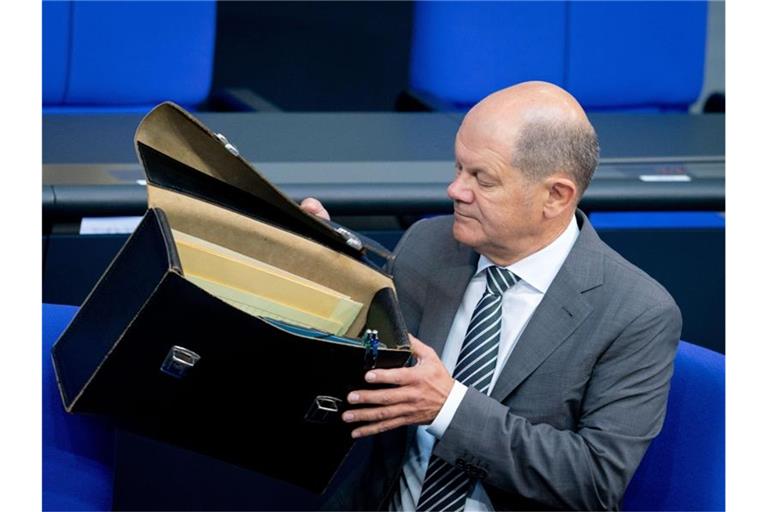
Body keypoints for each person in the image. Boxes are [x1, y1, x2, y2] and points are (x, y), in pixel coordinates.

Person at [301, 81, 682, 511]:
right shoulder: (428, 245)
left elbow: (593, 481)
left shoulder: (635, 312)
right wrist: (324, 273)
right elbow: (364, 371)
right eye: (459, 168)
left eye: (482, 178)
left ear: (555, 196)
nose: (456, 190)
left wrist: (448, 408)